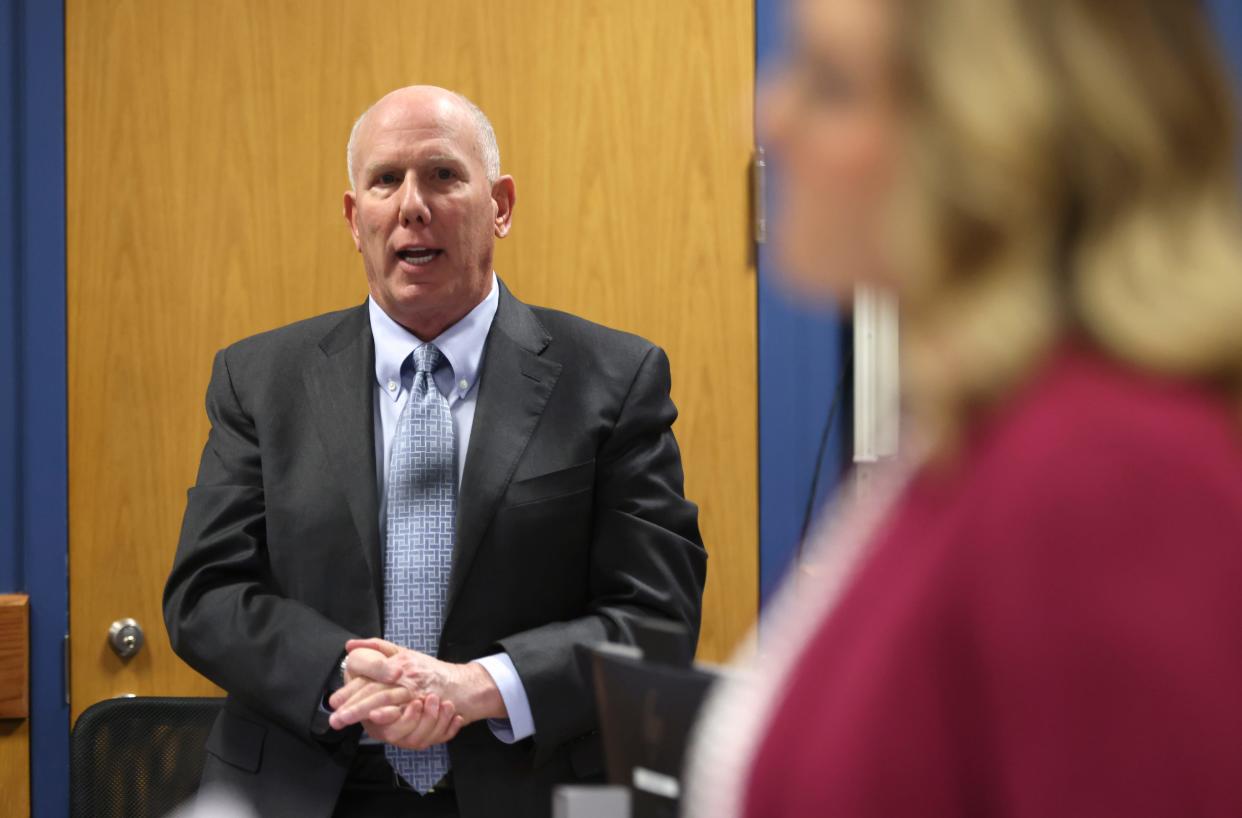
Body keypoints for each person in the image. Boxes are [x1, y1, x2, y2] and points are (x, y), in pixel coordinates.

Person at [683, 0, 1242, 816]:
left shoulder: (1110, 473)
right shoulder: (964, 433)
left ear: (993, 140)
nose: (772, 112)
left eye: (833, 85)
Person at [163, 85, 706, 818]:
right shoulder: (260, 379)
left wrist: (481, 686)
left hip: (529, 785)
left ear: (501, 205)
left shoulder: (612, 378)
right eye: (385, 180)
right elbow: (206, 594)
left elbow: (658, 616)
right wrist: (340, 670)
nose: (412, 205)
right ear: (356, 220)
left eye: (443, 175)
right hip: (305, 783)